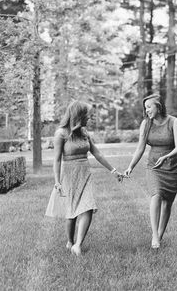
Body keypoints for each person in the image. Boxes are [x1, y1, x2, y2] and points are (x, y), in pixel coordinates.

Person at [45, 101, 123, 256]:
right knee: (72, 212)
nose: (90, 118)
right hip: (69, 175)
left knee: (88, 206)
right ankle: (70, 241)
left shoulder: (85, 133)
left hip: (85, 173)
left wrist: (114, 171)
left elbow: (97, 153)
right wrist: (57, 182)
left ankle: (78, 244)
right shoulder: (61, 133)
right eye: (88, 115)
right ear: (78, 115)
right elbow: (57, 159)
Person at [124, 94, 177, 249]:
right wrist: (131, 166)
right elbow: (140, 148)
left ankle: (160, 235)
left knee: (167, 203)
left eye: (149, 107)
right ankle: (155, 236)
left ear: (159, 106)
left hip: (172, 167)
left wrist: (166, 157)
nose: (147, 110)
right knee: (156, 195)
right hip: (154, 167)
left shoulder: (174, 122)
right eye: (145, 108)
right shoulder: (146, 124)